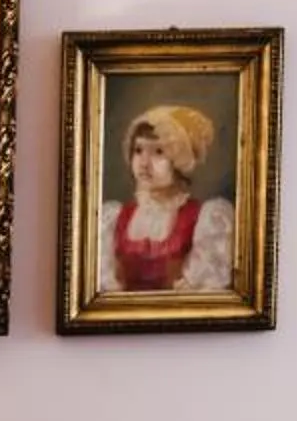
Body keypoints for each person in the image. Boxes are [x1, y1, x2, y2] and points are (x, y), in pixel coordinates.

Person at [98, 103, 236, 292]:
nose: (144, 163)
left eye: (158, 152)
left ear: (180, 160)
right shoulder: (113, 218)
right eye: (138, 150)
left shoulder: (204, 219)